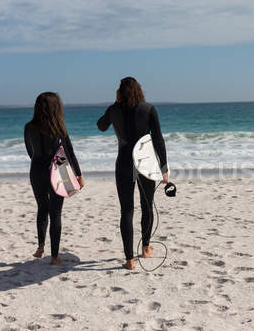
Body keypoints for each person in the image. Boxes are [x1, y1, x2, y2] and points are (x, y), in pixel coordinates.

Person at [97, 77, 168, 270]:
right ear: (139, 90)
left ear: (120, 92)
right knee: (147, 206)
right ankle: (145, 248)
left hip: (124, 163)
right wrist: (164, 169)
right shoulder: (148, 109)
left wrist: (114, 104)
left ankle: (129, 260)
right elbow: (159, 140)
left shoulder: (115, 110)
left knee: (126, 211)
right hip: (146, 163)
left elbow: (101, 126)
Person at [24, 92, 83, 265]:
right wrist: (78, 174)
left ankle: (41, 245)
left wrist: (39, 164)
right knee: (56, 213)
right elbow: (69, 152)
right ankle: (55, 256)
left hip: (36, 169)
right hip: (58, 169)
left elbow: (30, 150)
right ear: (56, 107)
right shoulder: (59, 127)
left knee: (42, 208)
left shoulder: (29, 127)